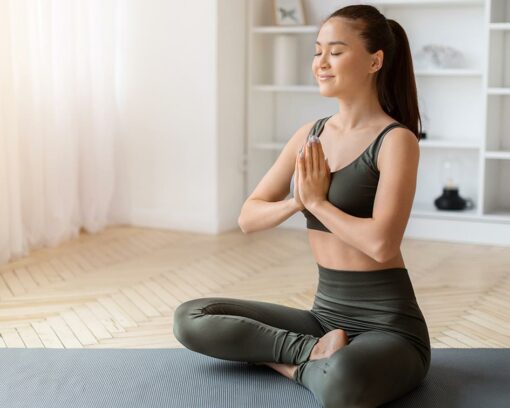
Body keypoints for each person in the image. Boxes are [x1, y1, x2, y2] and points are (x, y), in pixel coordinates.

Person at [173, 4, 430, 407]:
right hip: (322, 319)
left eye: (336, 51)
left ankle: (290, 360)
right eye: (317, 51)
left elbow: (382, 243)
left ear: (374, 60)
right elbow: (248, 217)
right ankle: (311, 352)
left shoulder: (396, 141)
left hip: (389, 327)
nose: (321, 63)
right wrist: (296, 201)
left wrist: (317, 202)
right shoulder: (309, 135)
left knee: (343, 383)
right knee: (191, 318)